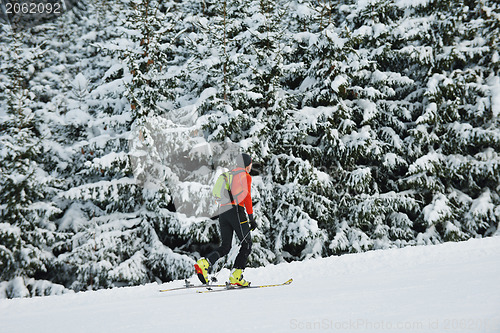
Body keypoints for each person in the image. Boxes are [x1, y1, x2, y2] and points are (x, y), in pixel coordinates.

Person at [195, 153, 257, 286]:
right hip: (236, 211)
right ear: (247, 164)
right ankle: (236, 275)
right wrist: (251, 218)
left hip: (223, 211)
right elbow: (247, 197)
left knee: (225, 247)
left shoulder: (229, 175)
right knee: (247, 244)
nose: (251, 166)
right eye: (250, 163)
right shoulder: (245, 176)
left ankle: (204, 264)